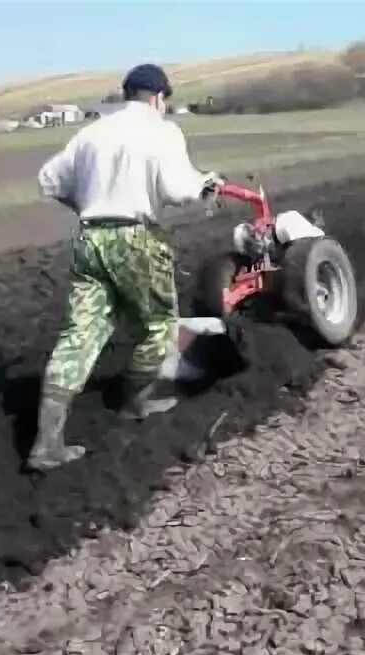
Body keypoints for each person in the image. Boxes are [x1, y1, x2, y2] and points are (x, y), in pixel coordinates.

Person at [27, 63, 222, 471]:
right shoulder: (161, 129)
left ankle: (47, 443)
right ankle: (134, 402)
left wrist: (87, 207)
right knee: (159, 325)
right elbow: (178, 188)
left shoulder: (92, 131)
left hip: (88, 238)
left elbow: (49, 181)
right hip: (134, 237)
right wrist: (207, 184)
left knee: (80, 333)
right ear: (157, 98)